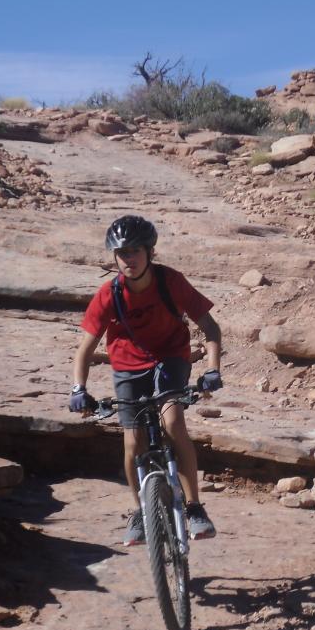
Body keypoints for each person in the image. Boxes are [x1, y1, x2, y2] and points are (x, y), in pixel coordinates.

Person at [69, 215, 223, 546]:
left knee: (172, 422)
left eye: (135, 251)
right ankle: (139, 511)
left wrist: (212, 369)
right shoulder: (108, 294)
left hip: (171, 356)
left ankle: (194, 508)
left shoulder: (171, 282)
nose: (129, 259)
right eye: (122, 253)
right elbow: (84, 350)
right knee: (132, 440)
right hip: (127, 364)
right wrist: (79, 390)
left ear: (150, 252)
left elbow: (210, 327)